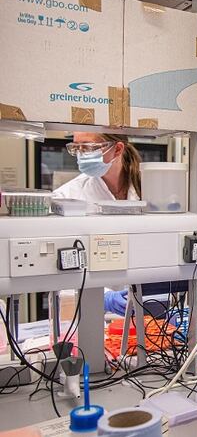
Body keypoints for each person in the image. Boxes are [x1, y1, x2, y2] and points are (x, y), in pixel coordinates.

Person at [53, 132, 143, 314]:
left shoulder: (150, 186)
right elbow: (58, 269)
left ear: (117, 149)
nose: (80, 154)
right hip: (93, 313)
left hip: (147, 305)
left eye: (88, 147)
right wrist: (104, 297)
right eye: (76, 148)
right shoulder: (67, 196)